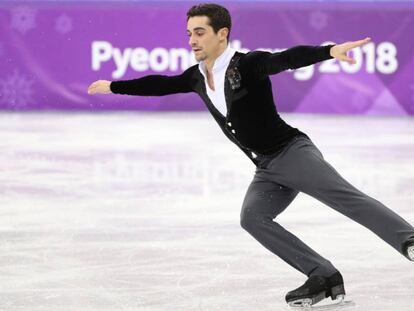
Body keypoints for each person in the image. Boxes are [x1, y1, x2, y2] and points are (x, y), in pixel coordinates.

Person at [87, 3, 414, 308]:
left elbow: (286, 58)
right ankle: (323, 275)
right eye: (189, 34)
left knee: (345, 198)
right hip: (266, 168)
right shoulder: (197, 76)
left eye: (200, 32)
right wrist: (113, 87)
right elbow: (159, 84)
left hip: (292, 152)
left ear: (222, 34)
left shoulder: (248, 63)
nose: (192, 40)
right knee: (253, 218)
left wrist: (329, 51)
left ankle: (408, 239)